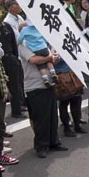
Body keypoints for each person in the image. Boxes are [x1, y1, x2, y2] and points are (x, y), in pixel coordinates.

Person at [18, 26, 67, 158]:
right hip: (34, 85)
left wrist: (53, 57)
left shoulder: (42, 41)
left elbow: (50, 56)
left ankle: (54, 141)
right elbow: (34, 60)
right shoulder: (22, 46)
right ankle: (41, 145)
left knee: (52, 115)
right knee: (40, 118)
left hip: (49, 83)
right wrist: (49, 58)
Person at [0, 2, 26, 119]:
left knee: (16, 84)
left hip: (11, 59)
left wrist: (16, 58)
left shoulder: (6, 26)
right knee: (1, 88)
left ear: (0, 11)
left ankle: (17, 110)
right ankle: (0, 116)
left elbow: (14, 43)